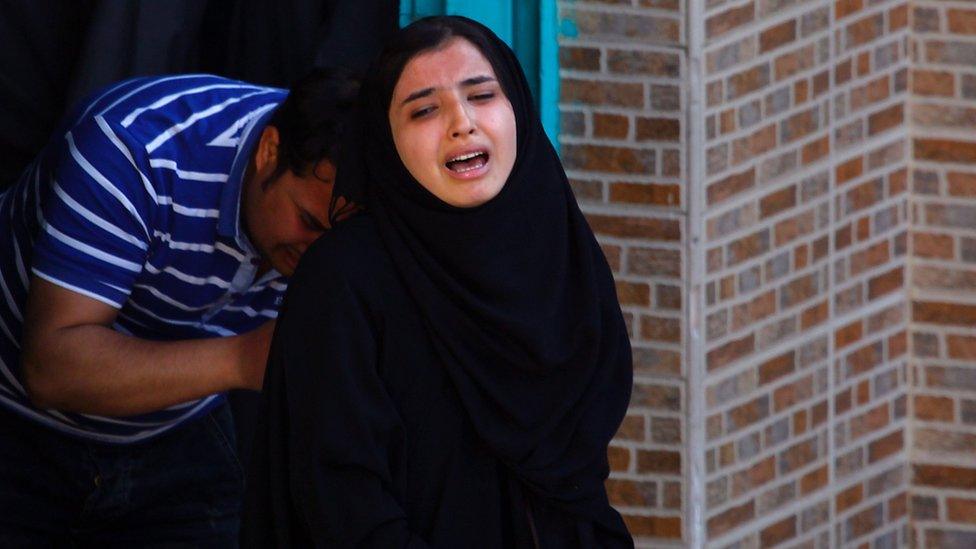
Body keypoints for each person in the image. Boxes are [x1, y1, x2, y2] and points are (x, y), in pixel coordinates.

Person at [243, 16, 634, 548]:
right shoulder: (343, 281)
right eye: (424, 109)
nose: (461, 123)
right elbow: (343, 501)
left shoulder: (559, 252)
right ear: (386, 142)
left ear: (516, 105)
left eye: (481, 95)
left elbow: (577, 482)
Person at [0, 70, 357, 546]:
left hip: (181, 424)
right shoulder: (137, 150)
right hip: (16, 422)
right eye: (308, 222)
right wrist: (246, 359)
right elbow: (51, 369)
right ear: (268, 150)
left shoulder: (379, 198)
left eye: (339, 241)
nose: (317, 258)